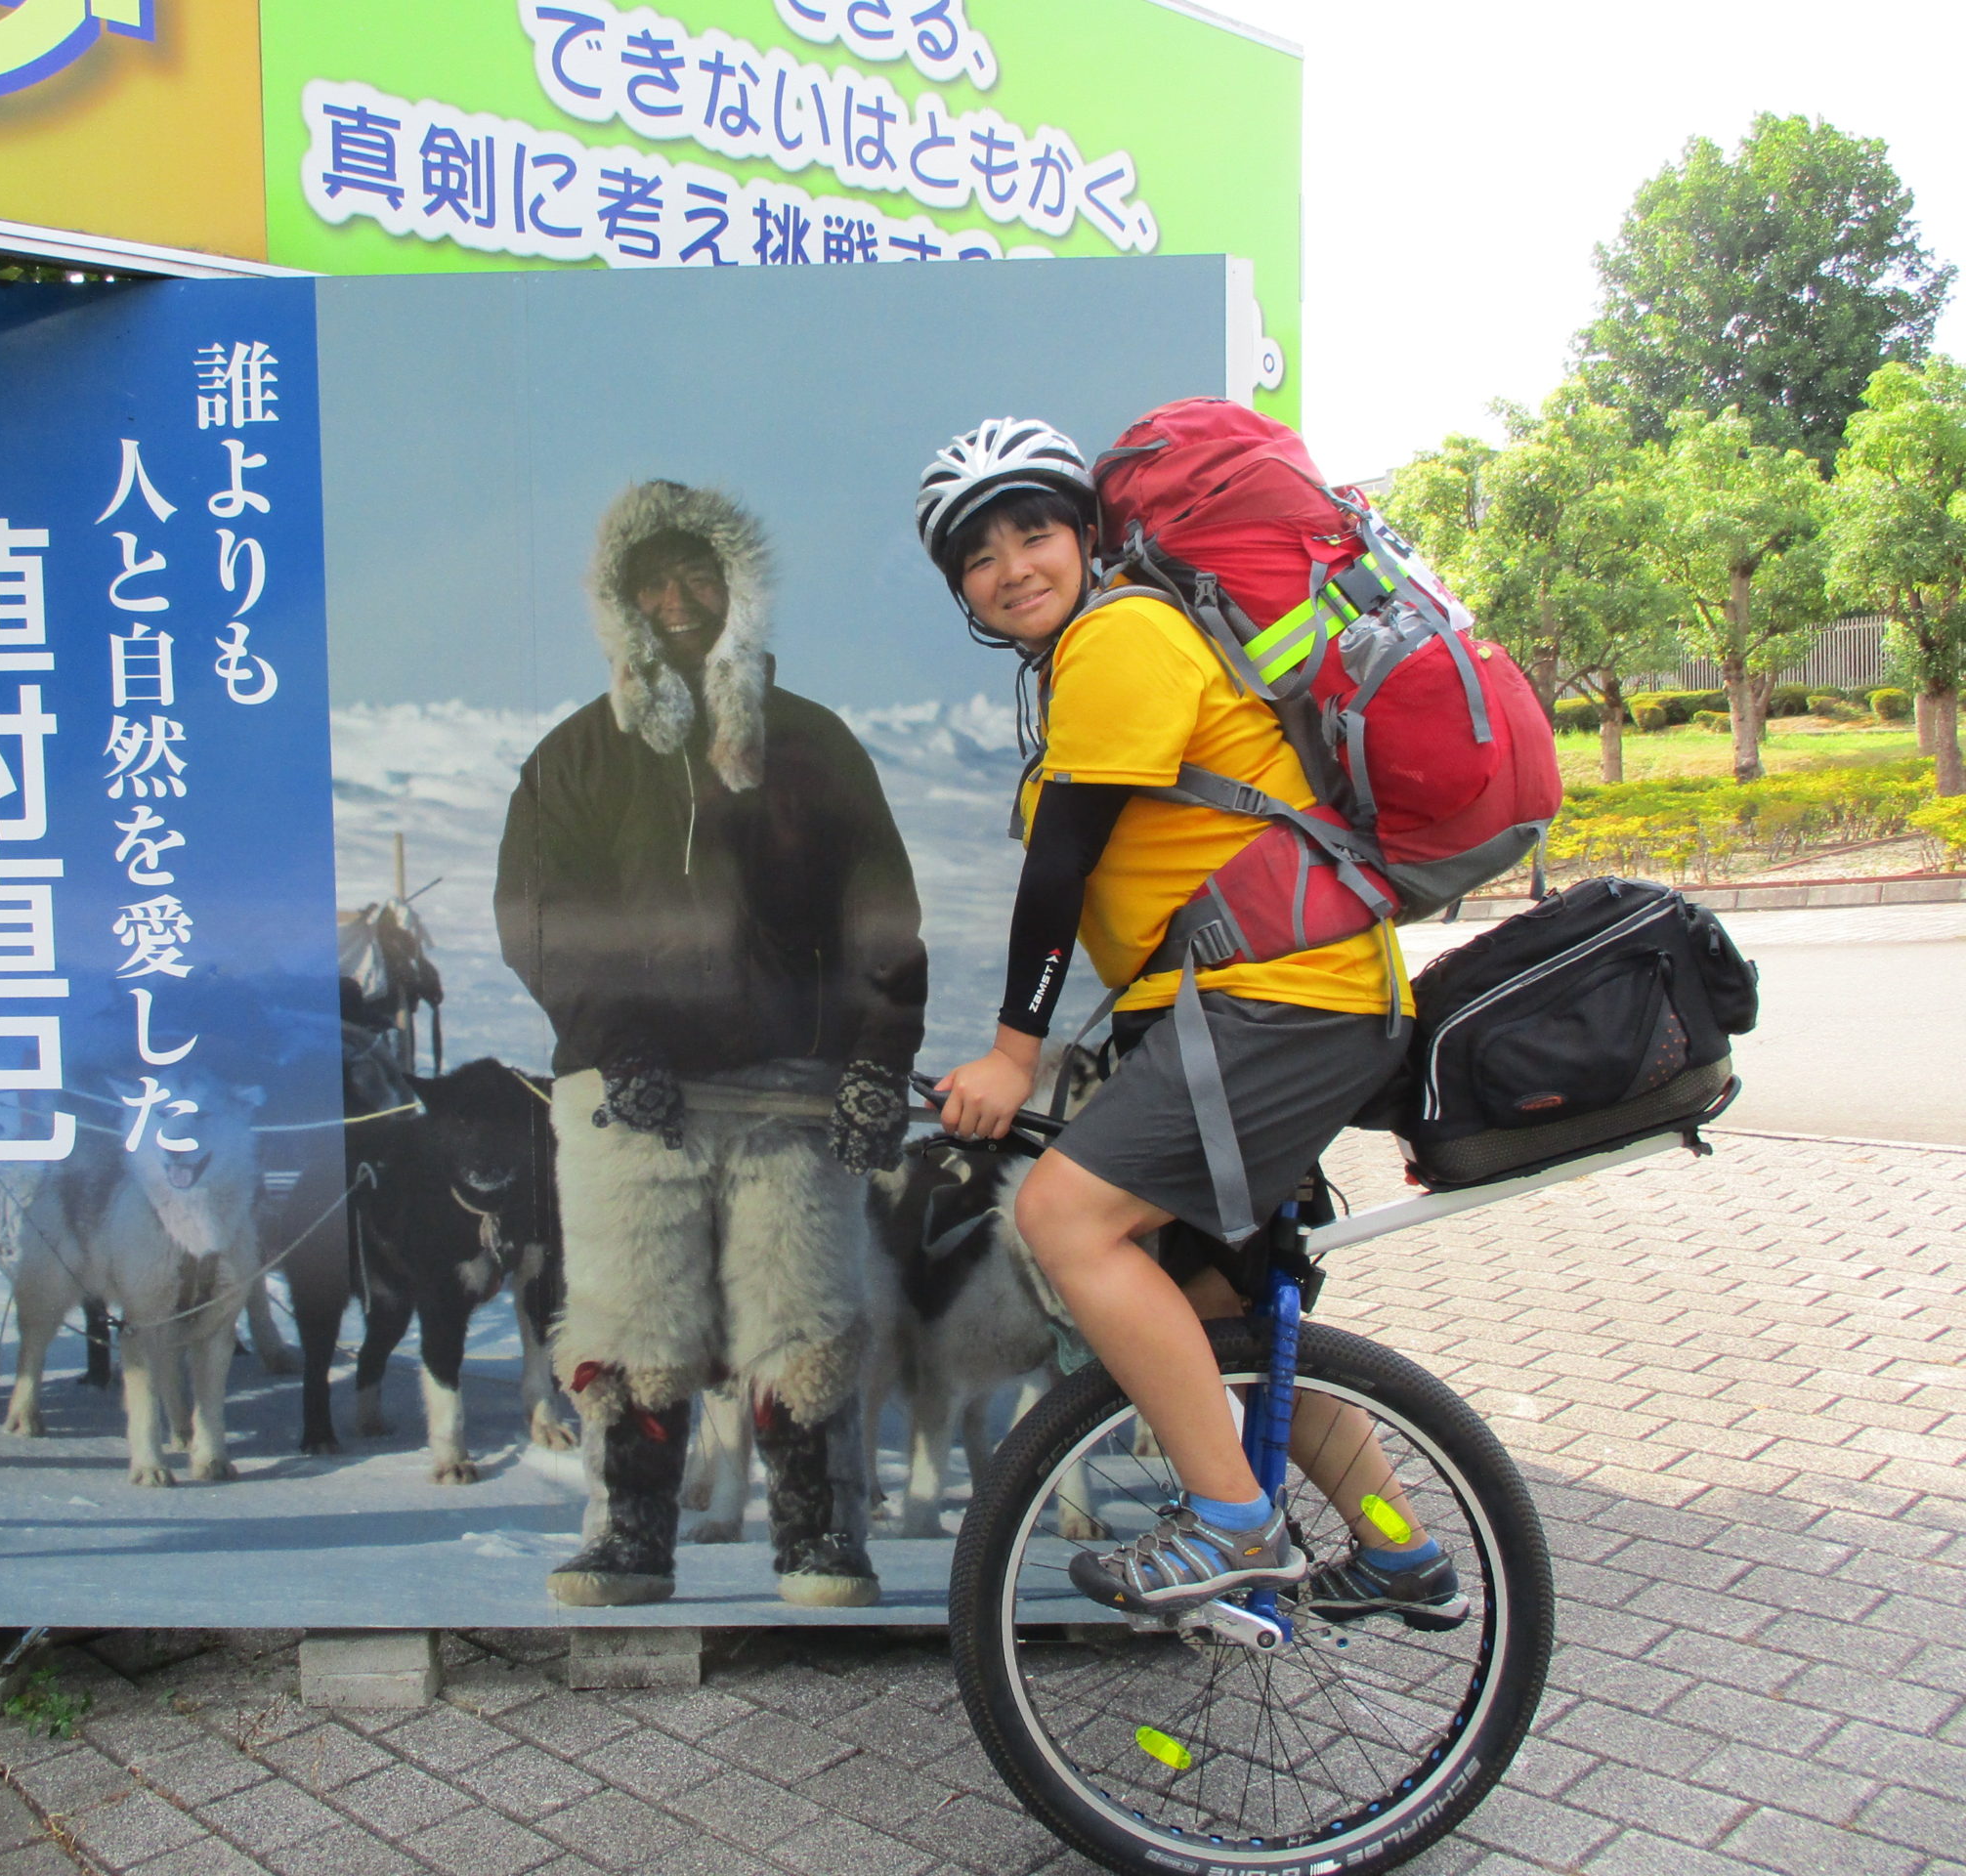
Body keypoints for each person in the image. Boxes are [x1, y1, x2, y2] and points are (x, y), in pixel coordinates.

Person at [914, 417, 1464, 1626]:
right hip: (1255, 1006)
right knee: (1218, 1311)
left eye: (1034, 530)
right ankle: (1393, 1546)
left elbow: (1060, 868)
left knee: (1064, 1217)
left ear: (1087, 534)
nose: (1012, 566)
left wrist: (1014, 1054)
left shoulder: (1120, 637)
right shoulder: (1098, 654)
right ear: (959, 584)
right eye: (979, 552)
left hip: (1279, 1003)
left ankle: (1232, 1523)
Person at [495, 478, 928, 1610]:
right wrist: (611, 1039)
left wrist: (878, 1062)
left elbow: (878, 913)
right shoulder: (576, 758)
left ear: (738, 591)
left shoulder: (815, 744)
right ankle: (628, 1537)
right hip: (627, 1095)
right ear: (621, 602)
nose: (677, 598)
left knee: (804, 1321)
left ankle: (820, 1539)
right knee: (631, 1320)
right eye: (653, 580)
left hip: (790, 1088)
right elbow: (540, 918)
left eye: (700, 576)